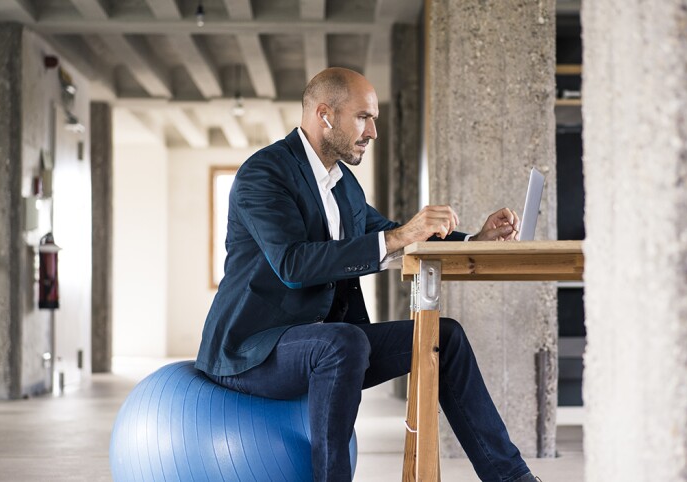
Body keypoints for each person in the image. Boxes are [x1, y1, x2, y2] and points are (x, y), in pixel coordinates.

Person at [196, 67, 540, 482]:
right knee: (341, 343)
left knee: (443, 337)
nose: (373, 131)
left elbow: (388, 235)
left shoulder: (344, 186)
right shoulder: (264, 174)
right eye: (364, 117)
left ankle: (512, 478)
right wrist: (400, 235)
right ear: (325, 114)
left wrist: (474, 242)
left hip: (332, 346)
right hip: (252, 350)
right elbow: (293, 264)